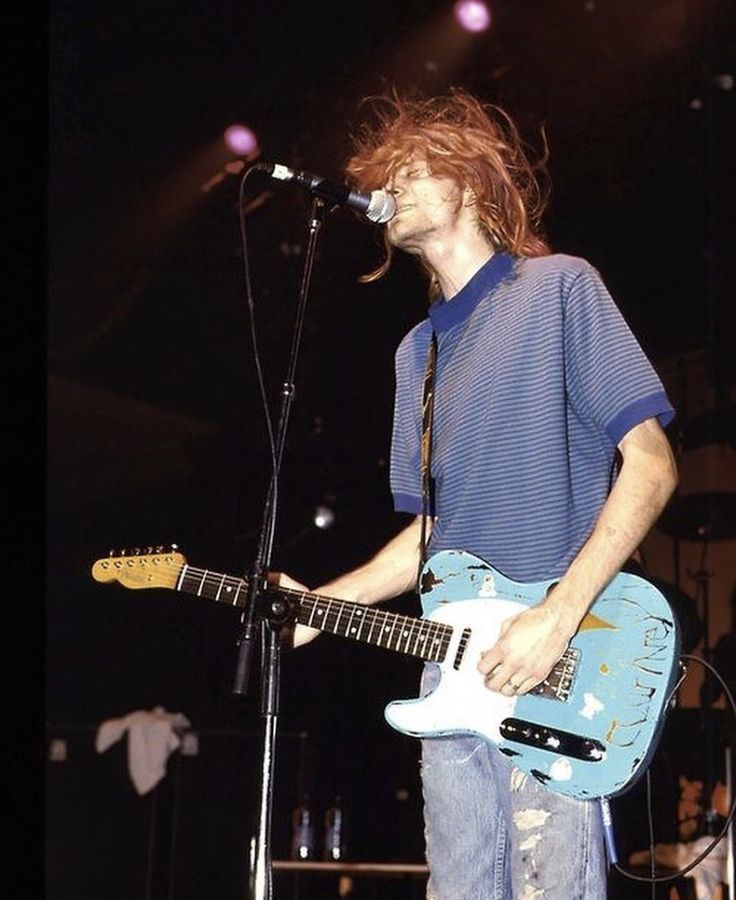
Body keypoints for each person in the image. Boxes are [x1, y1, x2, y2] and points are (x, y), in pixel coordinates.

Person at [278, 88, 679, 900]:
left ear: (467, 184)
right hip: (449, 674)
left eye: (410, 171)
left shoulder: (560, 288)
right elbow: (433, 535)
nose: (389, 190)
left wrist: (555, 618)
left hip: (556, 657)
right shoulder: (415, 356)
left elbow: (653, 463)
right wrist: (321, 603)